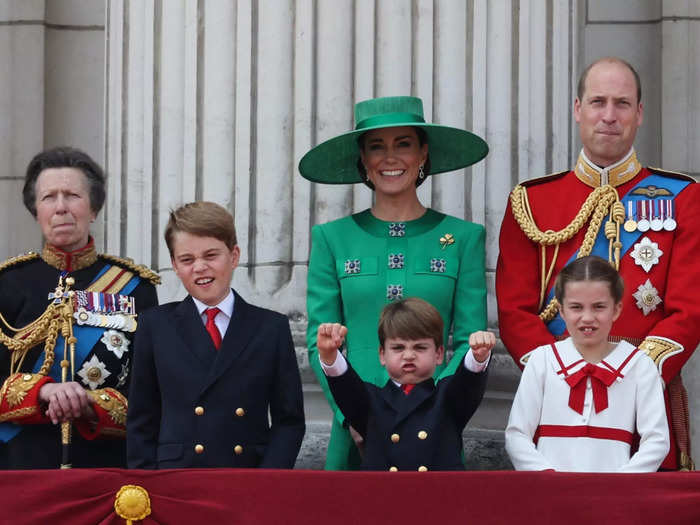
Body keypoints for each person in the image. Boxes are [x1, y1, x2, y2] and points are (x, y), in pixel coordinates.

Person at [496, 57, 700, 470]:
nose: (609, 116)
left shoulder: (683, 198)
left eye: (622, 103)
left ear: (639, 113)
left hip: (645, 408)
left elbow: (690, 309)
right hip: (553, 405)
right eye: (598, 102)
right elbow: (513, 309)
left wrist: (633, 378)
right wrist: (557, 375)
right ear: (577, 109)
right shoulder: (532, 202)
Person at [300, 95, 489, 470]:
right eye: (376, 147)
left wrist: (438, 411)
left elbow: (471, 338)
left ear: (423, 154)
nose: (390, 158)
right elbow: (317, 340)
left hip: (434, 428)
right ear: (363, 160)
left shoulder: (463, 237)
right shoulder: (331, 238)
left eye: (403, 144)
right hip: (355, 427)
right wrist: (352, 415)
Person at [0, 146, 160, 469]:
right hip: (21, 464)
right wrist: (43, 393)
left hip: (106, 464)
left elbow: (150, 391)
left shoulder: (135, 287)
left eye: (72, 195)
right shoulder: (8, 284)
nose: (61, 208)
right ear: (36, 211)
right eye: (49, 197)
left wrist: (90, 404)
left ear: (94, 208)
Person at [127, 201, 305, 469]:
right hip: (176, 479)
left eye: (211, 255)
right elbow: (142, 419)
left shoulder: (271, 328)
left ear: (234, 256)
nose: (199, 267)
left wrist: (268, 480)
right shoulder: (155, 326)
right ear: (175, 265)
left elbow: (289, 421)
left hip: (247, 476)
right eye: (187, 259)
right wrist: (148, 486)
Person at [505, 256, 669, 472]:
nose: (588, 317)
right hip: (549, 492)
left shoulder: (640, 365)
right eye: (576, 307)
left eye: (599, 307)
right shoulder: (542, 360)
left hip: (614, 495)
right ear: (561, 311)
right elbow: (516, 434)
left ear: (617, 309)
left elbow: (657, 440)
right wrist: (544, 477)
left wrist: (622, 483)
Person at [316, 297, 493, 471]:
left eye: (420, 347)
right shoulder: (371, 400)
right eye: (398, 348)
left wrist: (478, 355)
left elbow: (468, 381)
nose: (409, 355)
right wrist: (329, 355)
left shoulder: (447, 397)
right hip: (382, 496)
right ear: (382, 355)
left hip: (438, 496)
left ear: (439, 354)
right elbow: (346, 386)